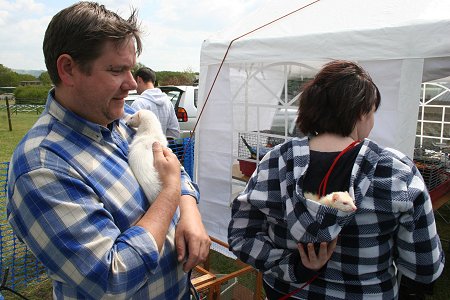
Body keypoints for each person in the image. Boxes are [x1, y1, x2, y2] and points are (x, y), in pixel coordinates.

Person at [6, 2, 210, 299]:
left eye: (131, 69)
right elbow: (112, 279)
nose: (130, 84)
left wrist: (190, 212)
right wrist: (169, 195)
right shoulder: (42, 167)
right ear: (68, 69)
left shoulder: (123, 125)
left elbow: (174, 172)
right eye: (117, 70)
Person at [228, 60, 445, 299]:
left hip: (287, 292)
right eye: (373, 112)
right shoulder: (396, 170)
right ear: (362, 111)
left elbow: (242, 236)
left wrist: (293, 267)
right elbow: (424, 265)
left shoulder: (275, 160)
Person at [131, 67, 181, 139]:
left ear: (139, 79)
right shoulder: (168, 102)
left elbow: (131, 133)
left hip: (143, 148)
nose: (135, 87)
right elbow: (174, 132)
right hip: (162, 148)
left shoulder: (139, 103)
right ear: (153, 82)